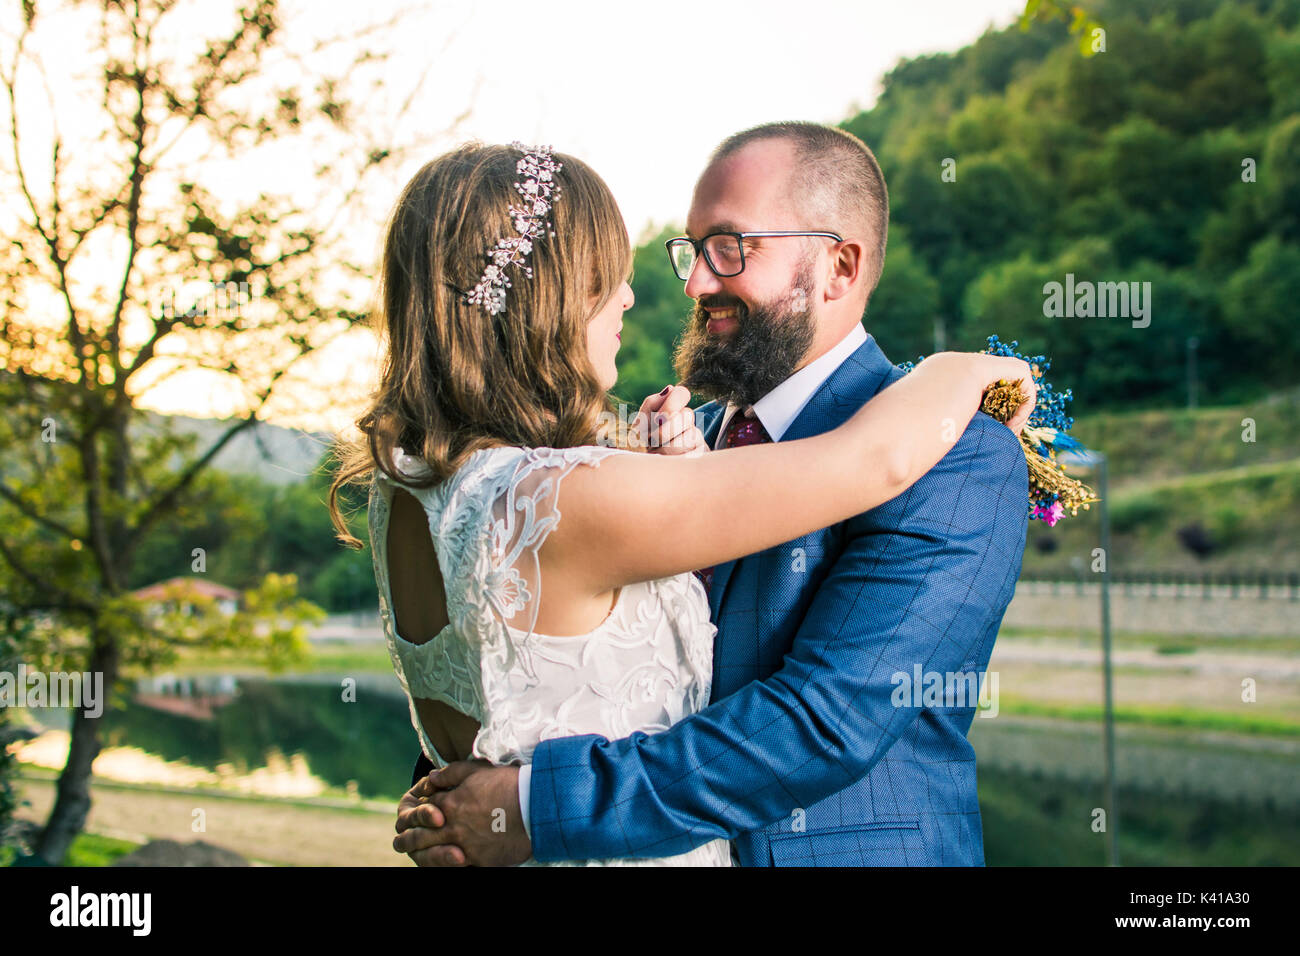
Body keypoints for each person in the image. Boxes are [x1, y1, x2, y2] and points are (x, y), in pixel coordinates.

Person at [332, 133, 1033, 867]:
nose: (693, 283)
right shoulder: (621, 469)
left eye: (730, 247)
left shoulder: (960, 453)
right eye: (691, 250)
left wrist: (520, 807)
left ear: (840, 265)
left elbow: (826, 723)